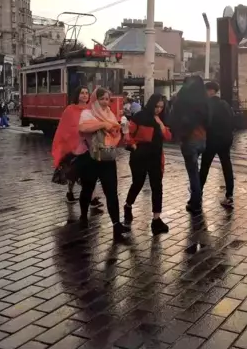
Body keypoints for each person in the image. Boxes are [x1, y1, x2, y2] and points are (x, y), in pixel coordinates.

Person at [77, 87, 130, 238]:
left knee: (112, 192)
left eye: (107, 99)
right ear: (95, 100)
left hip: (107, 158)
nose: (105, 102)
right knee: (87, 189)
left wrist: (117, 131)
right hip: (91, 158)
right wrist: (102, 125)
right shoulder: (87, 113)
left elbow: (115, 134)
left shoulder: (110, 114)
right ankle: (83, 216)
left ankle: (116, 225)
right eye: (102, 99)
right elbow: (82, 128)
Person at [123, 93, 170, 235]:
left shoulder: (161, 119)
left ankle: (156, 219)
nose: (158, 110)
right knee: (138, 183)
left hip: (155, 157)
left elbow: (168, 136)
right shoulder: (139, 116)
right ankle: (128, 205)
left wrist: (161, 124)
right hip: (139, 157)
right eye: (156, 106)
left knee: (157, 186)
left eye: (161, 107)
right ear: (151, 104)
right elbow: (128, 133)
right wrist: (133, 145)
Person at [51, 86, 102, 209]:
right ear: (77, 95)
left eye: (86, 93)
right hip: (74, 146)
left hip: (88, 146)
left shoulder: (91, 110)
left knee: (91, 172)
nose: (85, 95)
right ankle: (70, 192)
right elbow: (65, 127)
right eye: (82, 93)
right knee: (72, 174)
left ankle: (93, 198)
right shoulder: (70, 109)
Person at [170, 76, 210, 213]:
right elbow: (208, 120)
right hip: (202, 139)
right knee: (195, 170)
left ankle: (195, 201)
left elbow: (175, 120)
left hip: (189, 140)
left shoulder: (182, 101)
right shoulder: (204, 100)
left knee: (192, 172)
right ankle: (196, 197)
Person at [199, 81, 235, 207]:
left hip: (211, 139)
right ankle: (229, 195)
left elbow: (204, 122)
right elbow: (232, 119)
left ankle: (198, 194)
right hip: (225, 139)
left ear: (210, 91)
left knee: (205, 166)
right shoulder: (224, 104)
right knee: (227, 166)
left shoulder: (206, 104)